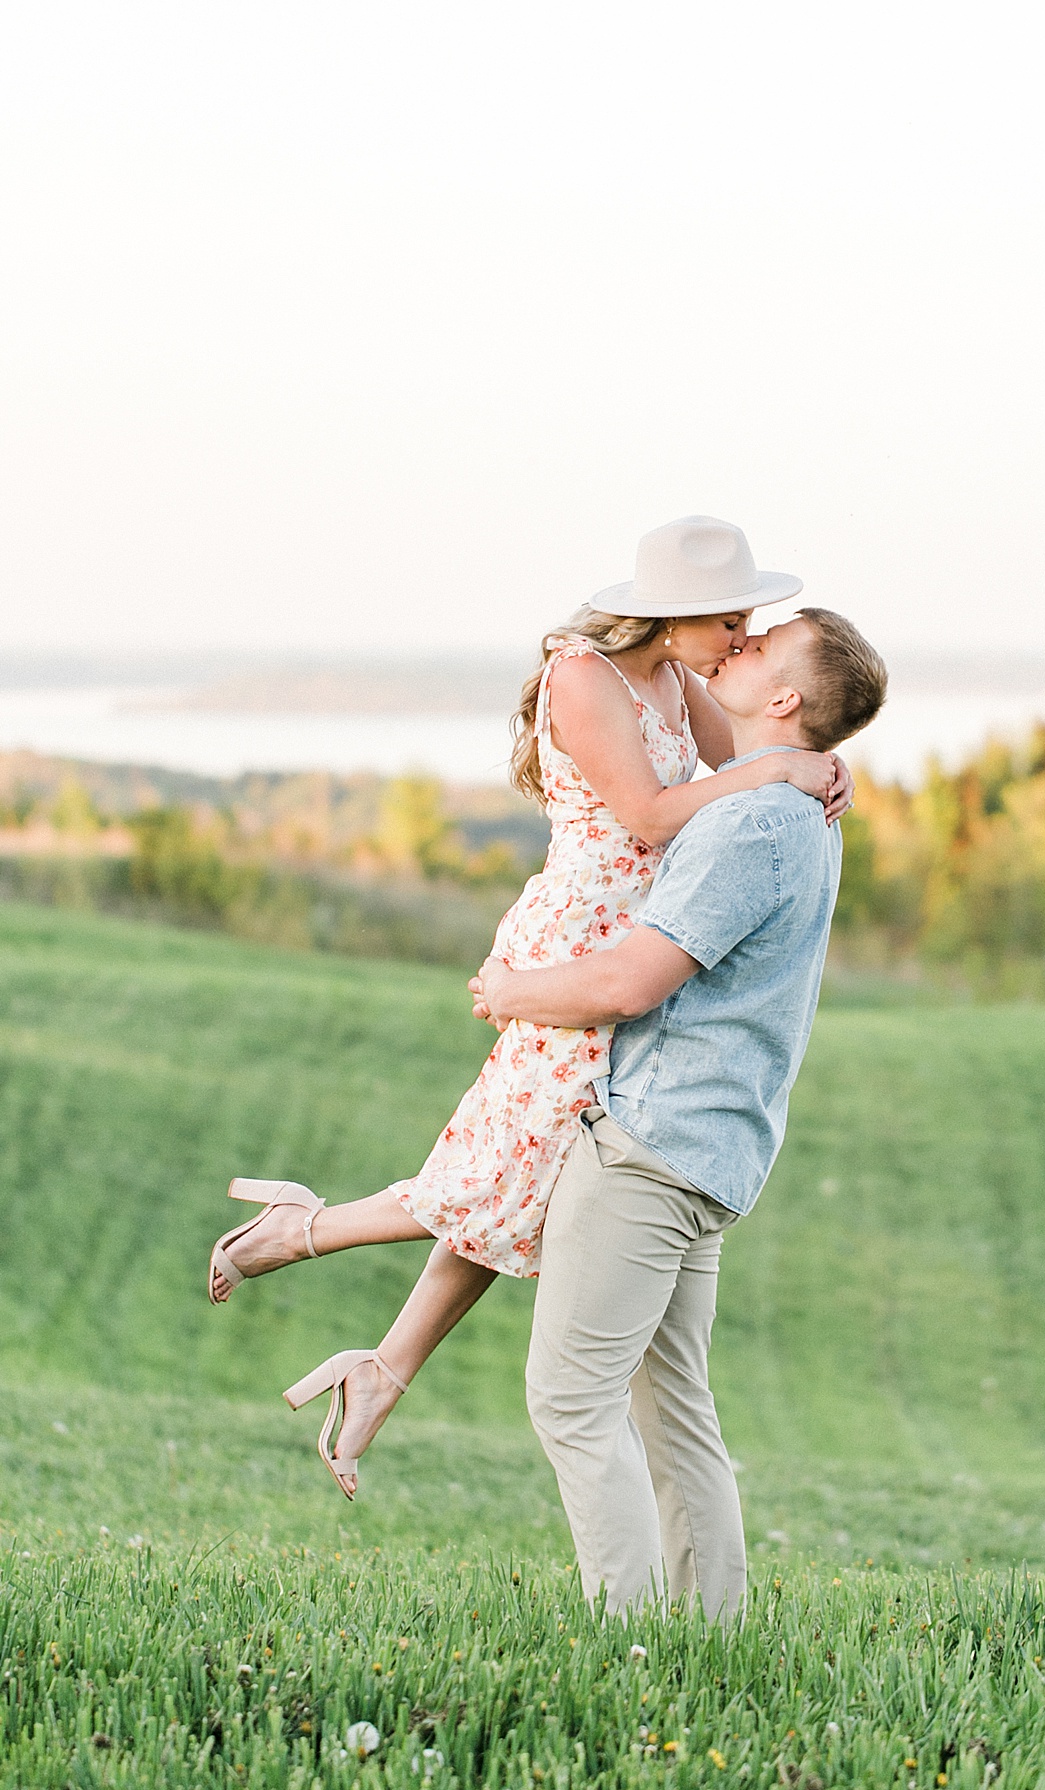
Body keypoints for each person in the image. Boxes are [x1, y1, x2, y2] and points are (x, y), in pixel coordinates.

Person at [205, 517, 853, 1495]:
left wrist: (805, 762)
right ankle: (305, 1233)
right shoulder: (582, 676)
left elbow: (743, 766)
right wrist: (774, 771)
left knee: (538, 1176)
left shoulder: (680, 679)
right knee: (521, 1167)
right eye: (726, 619)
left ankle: (380, 1367)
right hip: (577, 946)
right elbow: (645, 813)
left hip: (637, 945)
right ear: (669, 617)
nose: (737, 636)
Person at [474, 604, 888, 1615]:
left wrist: (506, 991)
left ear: (783, 698)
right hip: (715, 1149)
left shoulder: (750, 822)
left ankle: (628, 1645)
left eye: (758, 649)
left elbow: (627, 980)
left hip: (650, 1146)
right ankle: (711, 1637)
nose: (737, 647)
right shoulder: (792, 809)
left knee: (570, 1402)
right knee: (672, 1411)